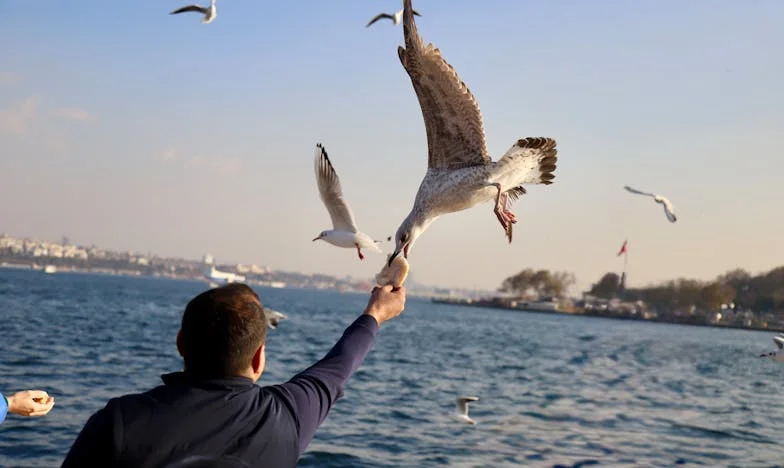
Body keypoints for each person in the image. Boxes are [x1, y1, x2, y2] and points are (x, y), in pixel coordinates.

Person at [61, 282, 406, 468]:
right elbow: (340, 364)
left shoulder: (119, 422)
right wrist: (375, 312)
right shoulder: (288, 417)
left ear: (181, 343)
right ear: (258, 359)